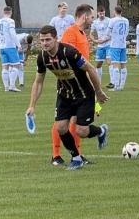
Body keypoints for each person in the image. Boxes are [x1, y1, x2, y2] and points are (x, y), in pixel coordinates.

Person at [26, 25, 109, 170]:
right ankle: (76, 159)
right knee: (60, 127)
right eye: (42, 40)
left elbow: (90, 68)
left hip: (83, 94)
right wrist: (32, 105)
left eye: (48, 40)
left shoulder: (69, 52)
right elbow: (38, 81)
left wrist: (99, 91)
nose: (45, 43)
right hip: (64, 95)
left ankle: (101, 131)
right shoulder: (42, 57)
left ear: (56, 39)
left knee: (81, 131)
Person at [51, 4, 95, 166]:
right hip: (70, 84)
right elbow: (67, 59)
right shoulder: (70, 32)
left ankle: (77, 155)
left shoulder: (83, 34)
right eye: (92, 17)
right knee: (62, 120)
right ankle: (56, 155)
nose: (93, 20)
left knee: (76, 120)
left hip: (82, 85)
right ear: (84, 17)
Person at [0, 6, 22, 92]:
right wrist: (18, 45)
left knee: (5, 66)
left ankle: (6, 87)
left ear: (3, 13)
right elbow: (12, 33)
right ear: (11, 13)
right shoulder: (10, 21)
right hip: (10, 46)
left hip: (2, 47)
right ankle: (12, 85)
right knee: (16, 64)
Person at [105, 6, 130, 91]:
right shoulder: (126, 20)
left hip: (115, 45)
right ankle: (121, 86)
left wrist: (112, 36)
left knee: (115, 64)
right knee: (123, 65)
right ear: (121, 12)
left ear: (114, 12)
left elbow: (107, 32)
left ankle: (116, 86)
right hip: (123, 44)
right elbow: (126, 32)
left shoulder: (113, 20)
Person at [89, 6, 114, 88]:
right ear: (97, 13)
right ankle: (98, 83)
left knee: (109, 62)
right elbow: (91, 34)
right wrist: (95, 40)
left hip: (108, 44)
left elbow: (113, 32)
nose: (102, 15)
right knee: (98, 64)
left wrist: (107, 38)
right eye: (100, 14)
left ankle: (112, 82)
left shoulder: (109, 21)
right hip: (100, 45)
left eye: (103, 13)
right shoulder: (95, 22)